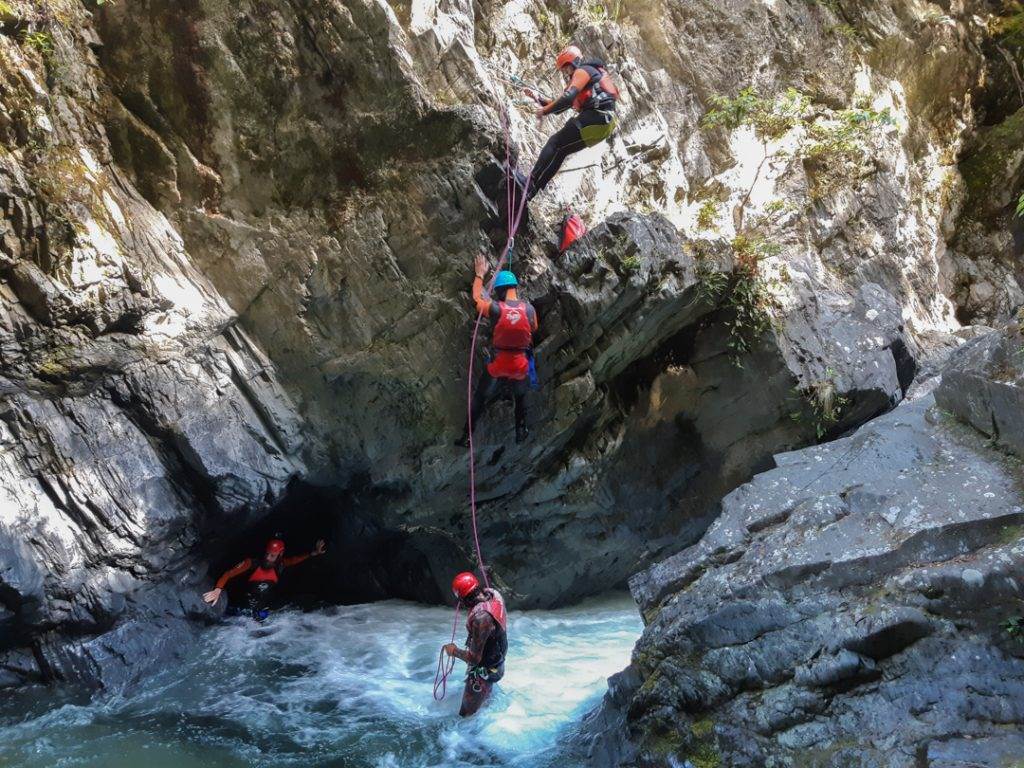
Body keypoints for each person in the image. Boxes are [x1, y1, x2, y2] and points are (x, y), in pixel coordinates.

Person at [457, 254, 539, 445]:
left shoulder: (495, 308)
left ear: (500, 291)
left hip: (499, 363)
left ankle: (467, 436)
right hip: (520, 364)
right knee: (521, 395)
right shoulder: (529, 310)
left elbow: (476, 299)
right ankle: (521, 430)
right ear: (514, 288)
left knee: (480, 396)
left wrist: (480, 274)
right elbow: (534, 328)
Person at [523, 45, 620, 200]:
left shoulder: (583, 71)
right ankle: (531, 192)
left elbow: (567, 98)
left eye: (567, 68)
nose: (566, 73)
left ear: (574, 62)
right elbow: (561, 106)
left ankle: (529, 181)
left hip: (596, 116)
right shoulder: (589, 78)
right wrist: (538, 99)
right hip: (605, 124)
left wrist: (544, 111)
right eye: (564, 70)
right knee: (561, 151)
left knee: (554, 142)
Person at [203, 537, 327, 620]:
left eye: (272, 555)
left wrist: (314, 553)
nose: (268, 558)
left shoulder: (280, 565)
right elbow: (228, 574)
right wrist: (217, 590)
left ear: (280, 554)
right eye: (267, 554)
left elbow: (294, 560)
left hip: (261, 610)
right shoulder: (251, 563)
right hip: (241, 609)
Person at [443, 572, 508, 717]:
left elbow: (474, 659)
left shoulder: (481, 619)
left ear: (463, 599)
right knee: (484, 707)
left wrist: (453, 651)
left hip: (485, 672)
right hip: (497, 663)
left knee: (466, 717)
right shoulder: (493, 594)